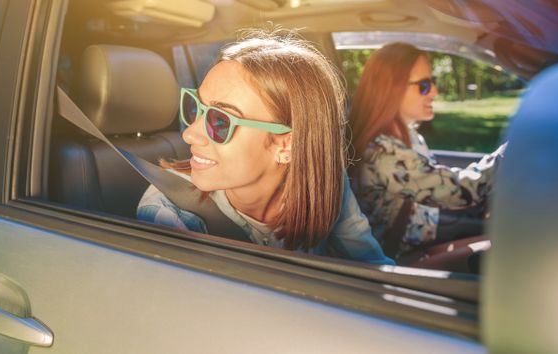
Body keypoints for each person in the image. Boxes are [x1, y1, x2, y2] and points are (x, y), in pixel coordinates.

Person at [137, 30, 393, 265]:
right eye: (196, 108)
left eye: (219, 120)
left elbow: (371, 267)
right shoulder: (168, 209)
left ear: (287, 144)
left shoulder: (325, 184)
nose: (190, 134)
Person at [348, 42, 506, 259]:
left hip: (420, 229)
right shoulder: (384, 152)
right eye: (424, 85)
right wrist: (512, 151)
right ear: (392, 89)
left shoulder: (405, 138)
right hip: (399, 258)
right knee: (505, 244)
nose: (434, 91)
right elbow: (462, 191)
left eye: (433, 82)